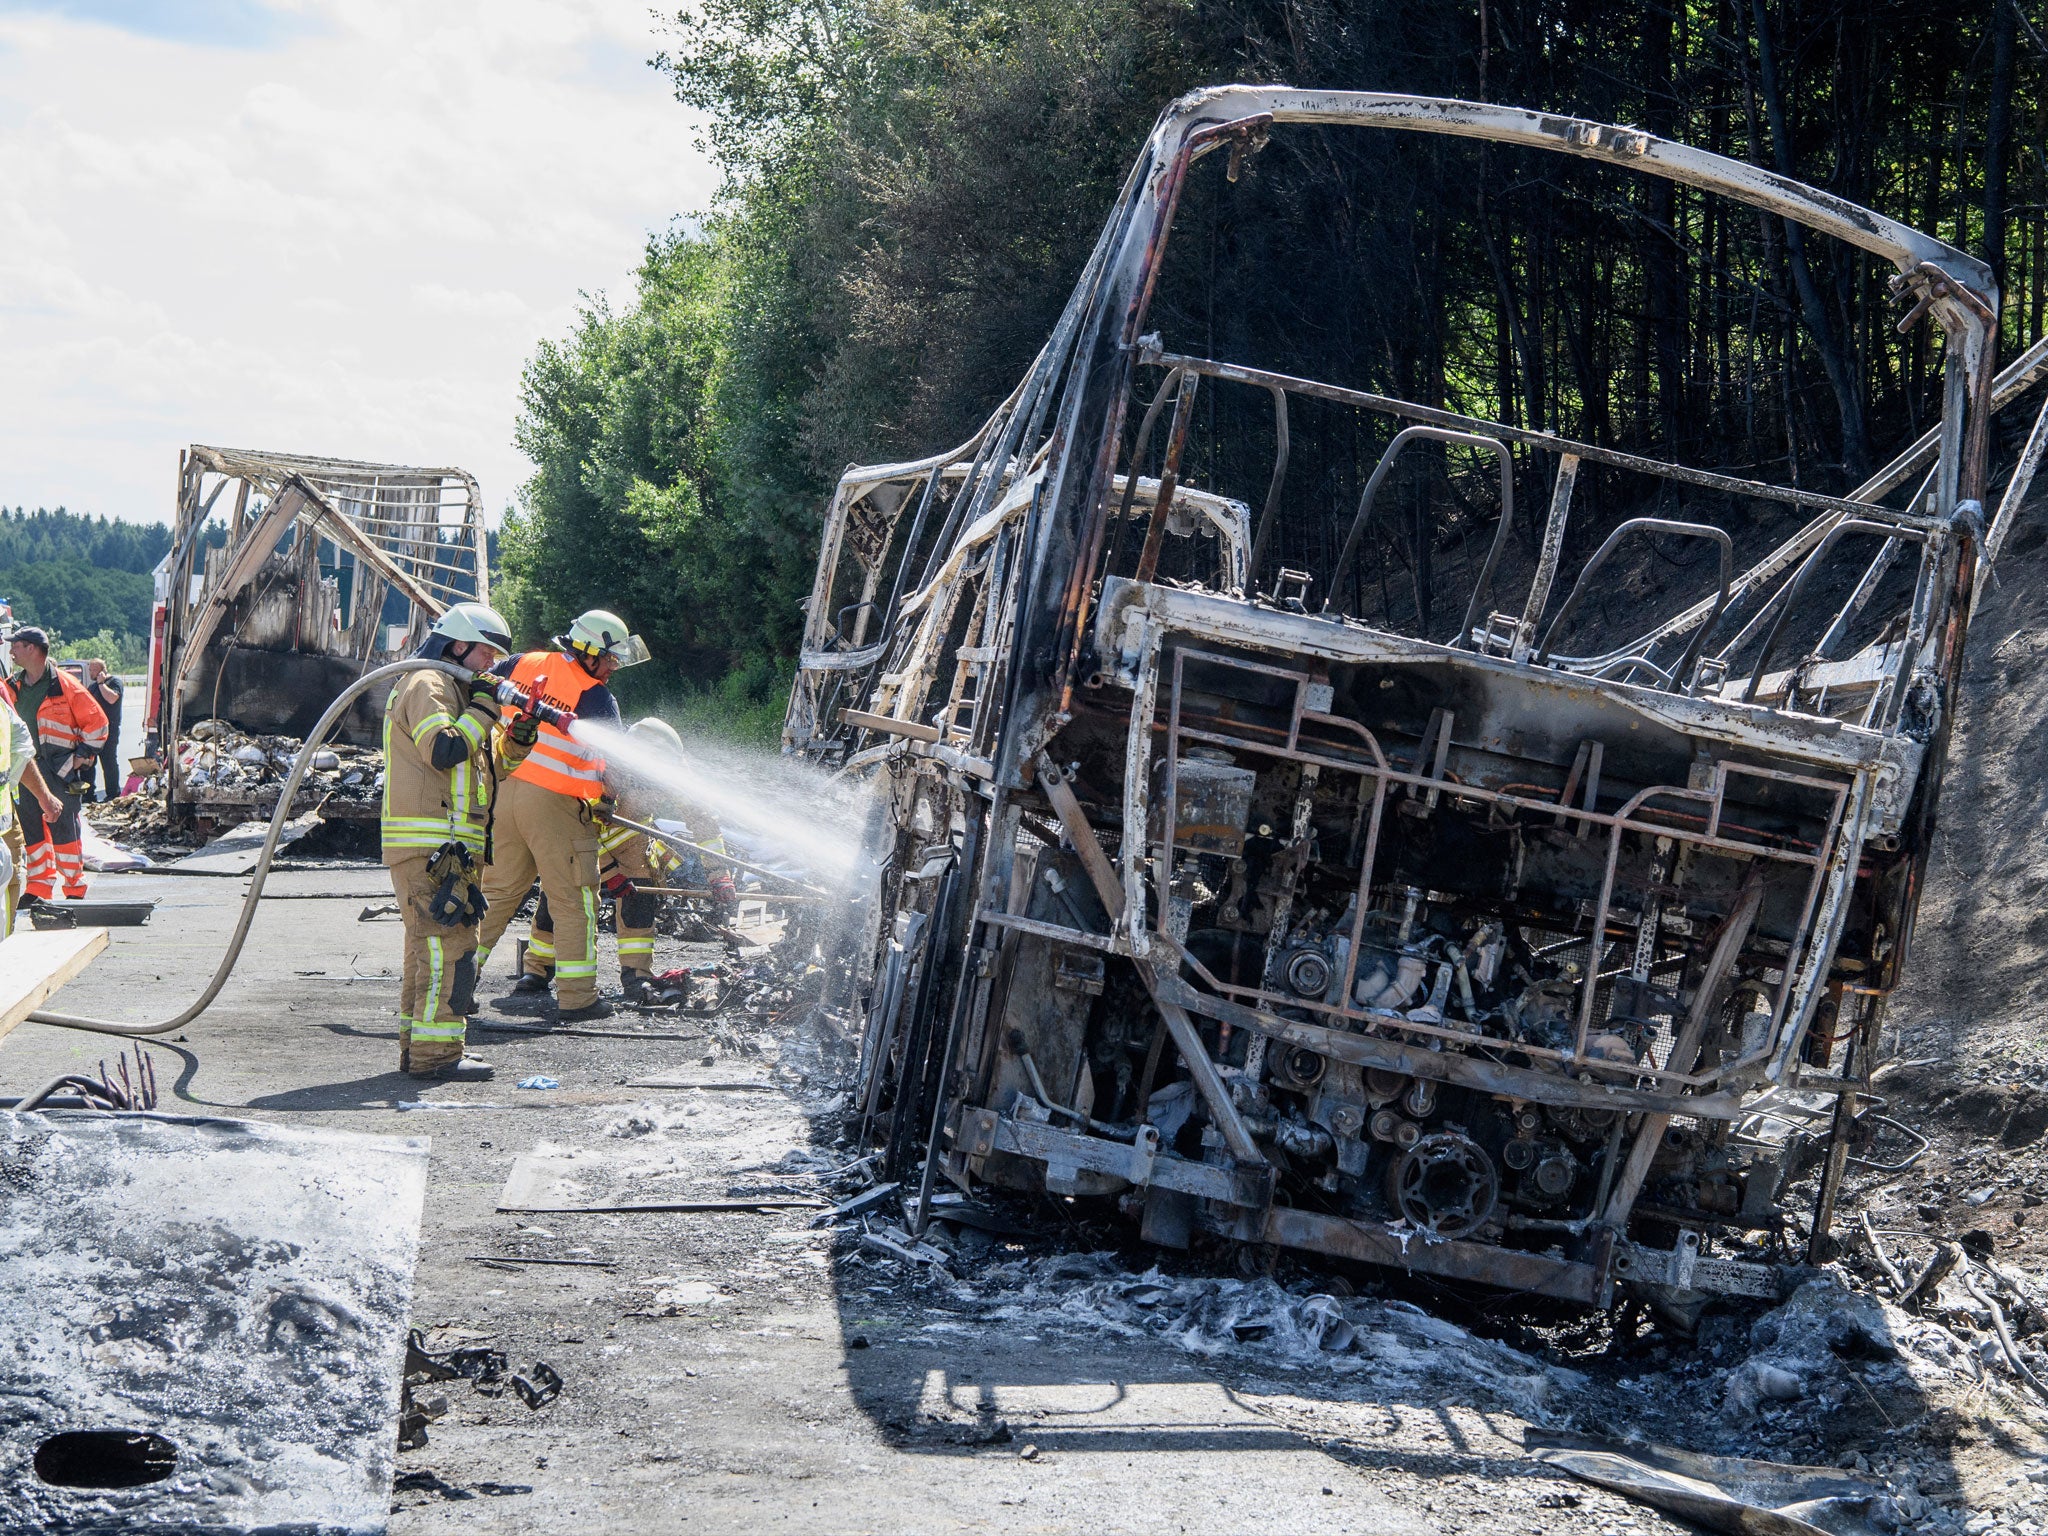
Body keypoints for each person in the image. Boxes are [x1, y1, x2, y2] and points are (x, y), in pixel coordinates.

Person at [474, 609, 648, 1022]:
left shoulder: (520, 663)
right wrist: (612, 798)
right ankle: (577, 997)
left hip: (503, 795)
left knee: (494, 898)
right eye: (608, 657)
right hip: (556, 806)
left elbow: (479, 689)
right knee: (574, 901)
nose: (613, 666)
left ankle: (455, 987)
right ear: (587, 650)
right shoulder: (596, 696)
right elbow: (616, 762)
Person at [381, 602, 529, 1079]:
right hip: (432, 848)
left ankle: (417, 1049)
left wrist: (517, 738)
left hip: (450, 849)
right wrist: (488, 706)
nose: (491, 667)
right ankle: (439, 1056)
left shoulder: (456, 693)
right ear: (458, 645)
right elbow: (444, 751)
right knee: (451, 949)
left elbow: (484, 770)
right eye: (486, 655)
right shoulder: (429, 684)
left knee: (427, 950)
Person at [7, 627, 108, 904]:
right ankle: (39, 888)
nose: (11, 651)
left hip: (59, 770)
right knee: (32, 830)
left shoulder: (66, 686)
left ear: (32, 649)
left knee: (66, 830)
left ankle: (74, 887)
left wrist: (81, 756)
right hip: (26, 770)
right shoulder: (12, 685)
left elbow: (98, 725)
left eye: (16, 646)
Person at [84, 659, 124, 800]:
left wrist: (102, 683)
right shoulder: (93, 687)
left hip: (109, 729)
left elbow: (112, 699)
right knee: (88, 763)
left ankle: (113, 794)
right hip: (93, 731)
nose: (91, 673)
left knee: (108, 762)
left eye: (94, 670)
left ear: (102, 670)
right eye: (90, 670)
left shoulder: (114, 683)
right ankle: (89, 794)